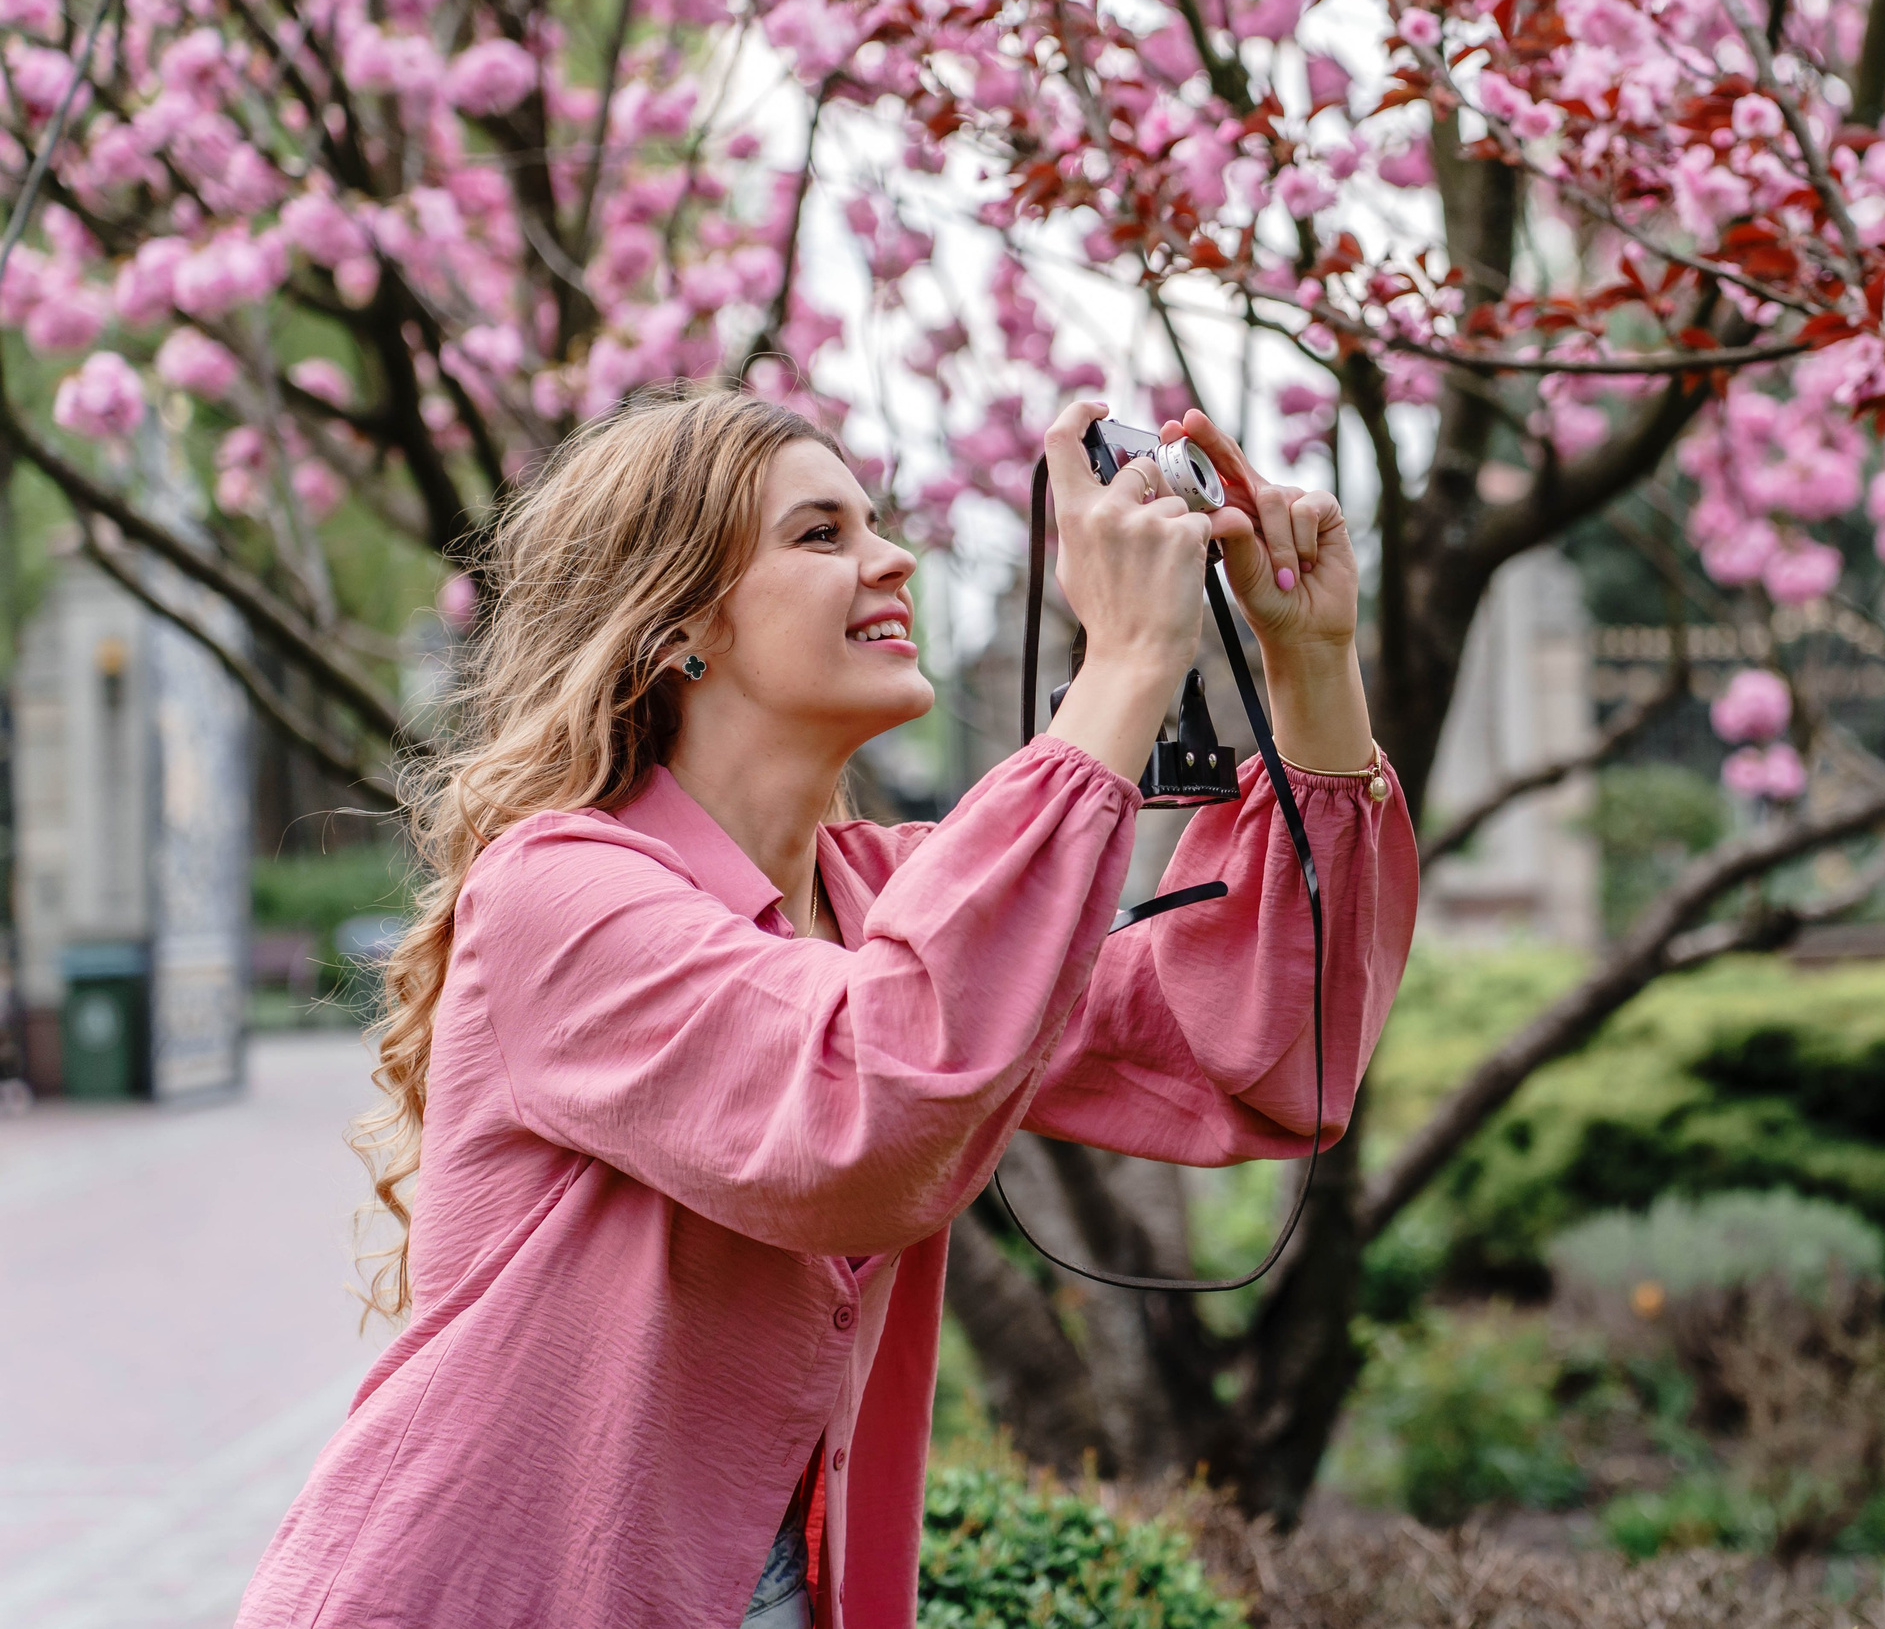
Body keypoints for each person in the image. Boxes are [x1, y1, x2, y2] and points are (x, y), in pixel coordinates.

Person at [236, 387, 1417, 1629]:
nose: (892, 556)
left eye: (877, 523)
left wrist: (1310, 668)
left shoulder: (880, 898)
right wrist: (1120, 670)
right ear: (677, 626)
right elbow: (862, 1105)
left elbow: (1248, 1052)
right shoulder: (557, 893)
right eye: (820, 534)